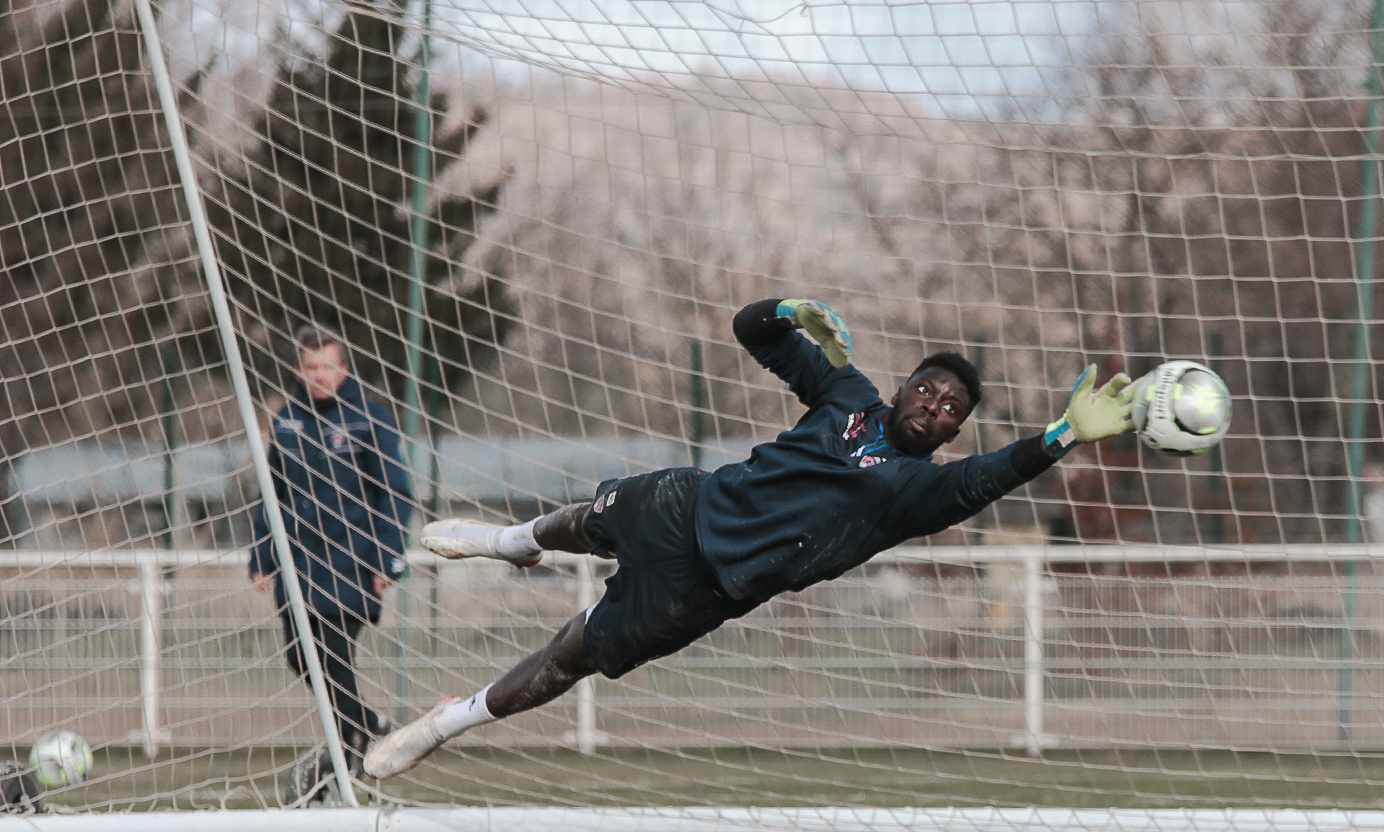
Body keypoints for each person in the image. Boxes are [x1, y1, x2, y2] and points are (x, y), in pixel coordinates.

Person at [364, 297, 1133, 779]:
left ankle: (443, 723)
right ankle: (509, 542)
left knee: (572, 656)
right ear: (902, 386)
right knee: (584, 520)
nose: (935, 404)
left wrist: (1062, 434)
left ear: (953, 431)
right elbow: (749, 331)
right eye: (927, 388)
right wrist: (790, 310)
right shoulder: (846, 393)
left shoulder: (917, 491)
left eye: (951, 408)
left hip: (701, 590)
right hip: (683, 504)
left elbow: (988, 478)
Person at [249, 326, 413, 803]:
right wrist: (261, 555)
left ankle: (348, 757)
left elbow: (394, 494)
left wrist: (387, 556)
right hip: (299, 564)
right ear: (299, 371)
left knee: (334, 657)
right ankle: (369, 727)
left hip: (352, 562)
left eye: (328, 366)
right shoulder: (287, 421)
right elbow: (271, 495)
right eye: (311, 367)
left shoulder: (369, 420)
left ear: (344, 369)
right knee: (301, 657)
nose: (320, 375)